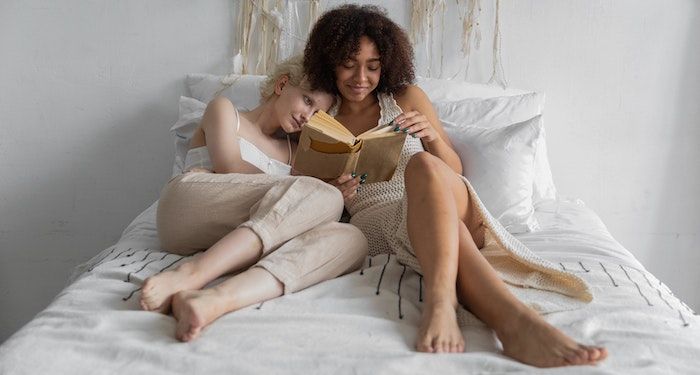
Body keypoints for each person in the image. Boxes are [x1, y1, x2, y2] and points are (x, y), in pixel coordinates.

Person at [303, 4, 607, 368]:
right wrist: (336, 194)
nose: (361, 77)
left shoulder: (405, 98)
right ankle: (517, 323)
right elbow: (306, 198)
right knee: (447, 231)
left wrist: (431, 137)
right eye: (349, 64)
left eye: (372, 65)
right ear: (329, 61)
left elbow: (453, 170)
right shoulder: (321, 119)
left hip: (448, 198)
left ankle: (441, 303)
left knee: (423, 165)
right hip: (379, 221)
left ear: (386, 64)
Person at [139, 56, 368, 342]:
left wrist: (331, 189)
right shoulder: (225, 112)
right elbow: (231, 169)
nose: (307, 117)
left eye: (317, 114)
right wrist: (312, 188)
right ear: (283, 84)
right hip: (187, 209)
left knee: (352, 238)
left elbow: (296, 209)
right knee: (322, 194)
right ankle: (192, 273)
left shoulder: (294, 153)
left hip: (239, 237)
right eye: (307, 101)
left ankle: (216, 300)